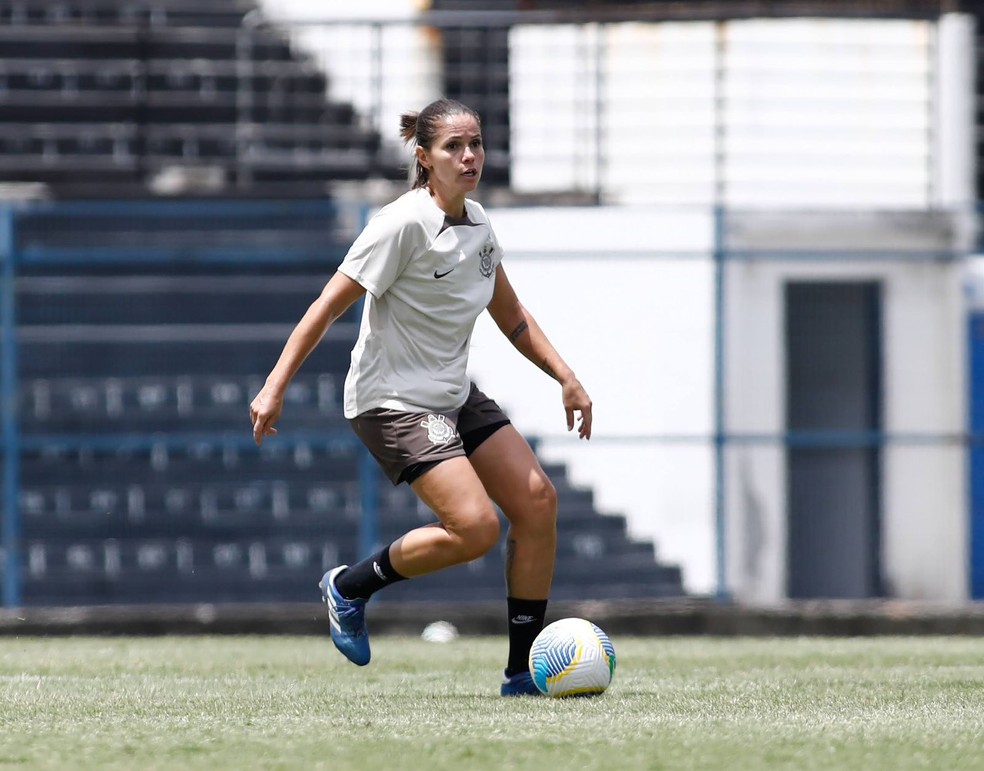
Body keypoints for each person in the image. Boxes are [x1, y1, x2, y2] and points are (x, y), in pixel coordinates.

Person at [249, 98, 593, 697]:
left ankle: (520, 675)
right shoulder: (400, 224)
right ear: (424, 157)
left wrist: (565, 376)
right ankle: (349, 587)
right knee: (476, 527)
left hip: (453, 393)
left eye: (476, 144)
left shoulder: (480, 224)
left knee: (538, 501)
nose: (469, 156)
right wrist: (274, 386)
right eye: (453, 147)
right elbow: (326, 307)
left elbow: (510, 316)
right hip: (393, 402)